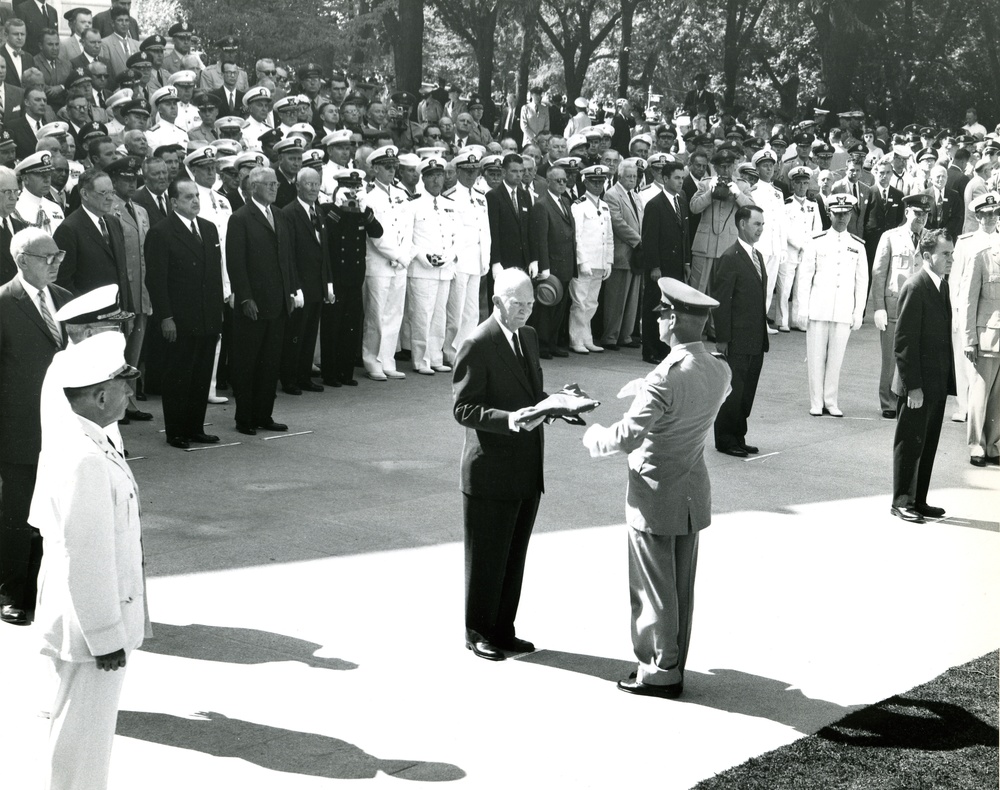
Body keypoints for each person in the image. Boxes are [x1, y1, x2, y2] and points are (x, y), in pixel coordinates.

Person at [583, 278, 730, 698]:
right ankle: (675, 661)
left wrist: (594, 435)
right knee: (681, 585)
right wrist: (644, 390)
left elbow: (628, 435)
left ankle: (659, 671)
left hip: (654, 491)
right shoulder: (719, 367)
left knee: (653, 587)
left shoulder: (663, 379)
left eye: (664, 313)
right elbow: (702, 397)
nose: (660, 320)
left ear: (674, 321)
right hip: (690, 488)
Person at [31, 330, 147, 790]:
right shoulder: (85, 457)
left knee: (80, 738)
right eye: (125, 385)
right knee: (82, 743)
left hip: (80, 620)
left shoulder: (85, 439)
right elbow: (88, 556)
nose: (130, 393)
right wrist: (105, 637)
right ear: (101, 395)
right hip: (89, 630)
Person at [452, 267, 545, 662]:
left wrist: (559, 404)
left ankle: (504, 629)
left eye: (529, 304)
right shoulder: (478, 342)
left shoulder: (528, 336)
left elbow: (532, 391)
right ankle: (478, 631)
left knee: (513, 555)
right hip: (490, 468)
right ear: (497, 301)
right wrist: (507, 420)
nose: (524, 311)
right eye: (517, 304)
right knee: (487, 555)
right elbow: (464, 408)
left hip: (525, 467)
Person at [0, 228, 70, 626]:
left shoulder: (64, 300)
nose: (56, 262)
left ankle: (43, 590)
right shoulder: (4, 303)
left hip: (59, 429)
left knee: (54, 514)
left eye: (58, 255)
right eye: (48, 257)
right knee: (15, 514)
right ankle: (10, 591)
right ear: (23, 259)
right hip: (18, 431)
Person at [145, 177, 223, 448]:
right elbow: (156, 280)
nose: (195, 201)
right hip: (180, 319)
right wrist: (166, 317)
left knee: (201, 376)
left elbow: (213, 277)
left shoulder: (209, 229)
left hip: (206, 317)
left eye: (197, 196)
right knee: (179, 376)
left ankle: (195, 427)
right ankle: (176, 431)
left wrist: (217, 315)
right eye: (188, 197)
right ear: (174, 202)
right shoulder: (161, 232)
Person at [226, 166, 301, 435]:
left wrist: (290, 293)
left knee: (270, 363)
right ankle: (245, 417)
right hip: (254, 304)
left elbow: (287, 258)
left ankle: (264, 415)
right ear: (253, 187)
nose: (274, 187)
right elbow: (236, 263)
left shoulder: (279, 215)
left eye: (276, 184)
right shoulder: (241, 218)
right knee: (248, 362)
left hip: (278, 302)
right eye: (268, 184)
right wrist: (245, 297)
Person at [889, 229, 956, 523]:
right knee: (909, 441)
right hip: (916, 384)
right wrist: (913, 387)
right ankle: (902, 500)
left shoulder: (942, 285)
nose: (951, 259)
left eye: (952, 253)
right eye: (946, 254)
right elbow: (903, 341)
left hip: (935, 383)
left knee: (927, 443)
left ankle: (919, 499)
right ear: (928, 256)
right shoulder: (915, 287)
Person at [798, 194, 868, 416]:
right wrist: (802, 308)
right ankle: (816, 401)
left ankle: (831, 400)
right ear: (829, 213)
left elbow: (862, 281)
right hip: (819, 308)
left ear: (851, 214)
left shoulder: (857, 245)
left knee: (836, 360)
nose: (841, 218)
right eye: (837, 213)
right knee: (816, 357)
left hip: (843, 310)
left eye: (846, 213)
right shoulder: (816, 240)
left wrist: (858, 312)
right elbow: (805, 276)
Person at [712, 205, 768, 457]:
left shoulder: (758, 257)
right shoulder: (730, 257)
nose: (761, 229)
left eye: (762, 224)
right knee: (733, 392)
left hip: (755, 338)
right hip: (736, 339)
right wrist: (722, 339)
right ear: (743, 224)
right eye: (757, 224)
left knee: (747, 392)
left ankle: (738, 435)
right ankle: (725, 439)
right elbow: (721, 302)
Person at [321, 168, 383, 387]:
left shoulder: (362, 211)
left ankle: (345, 372)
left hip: (355, 279)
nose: (354, 193)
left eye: (357, 188)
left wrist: (365, 211)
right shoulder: (329, 209)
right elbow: (324, 232)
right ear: (339, 188)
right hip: (336, 278)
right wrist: (338, 208)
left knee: (350, 328)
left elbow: (377, 232)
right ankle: (330, 374)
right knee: (332, 328)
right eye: (349, 187)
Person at [870, 194, 930, 418]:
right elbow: (878, 273)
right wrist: (879, 307)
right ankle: (888, 402)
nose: (921, 218)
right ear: (907, 213)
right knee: (891, 358)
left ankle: (908, 399)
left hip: (920, 307)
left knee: (917, 355)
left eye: (925, 214)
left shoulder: (930, 238)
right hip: (894, 304)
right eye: (917, 214)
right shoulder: (890, 237)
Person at [362, 144, 413, 381]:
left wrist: (404, 257)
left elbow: (407, 229)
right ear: (374, 169)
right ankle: (372, 360)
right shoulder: (368, 197)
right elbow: (376, 236)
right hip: (379, 264)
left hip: (400, 264)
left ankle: (388, 359)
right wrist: (397, 256)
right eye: (386, 167)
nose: (391, 171)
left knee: (394, 313)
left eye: (394, 166)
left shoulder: (402, 194)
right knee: (376, 315)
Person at [279, 167, 332, 394]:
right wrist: (294, 287)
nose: (313, 188)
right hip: (300, 285)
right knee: (295, 334)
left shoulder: (318, 212)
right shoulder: (288, 212)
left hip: (317, 284)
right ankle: (289, 379)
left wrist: (328, 282)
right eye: (308, 184)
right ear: (298, 186)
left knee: (310, 334)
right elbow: (288, 254)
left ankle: (303, 376)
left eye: (316, 183)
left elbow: (324, 251)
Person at [407, 156, 457, 374]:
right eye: (431, 176)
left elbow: (458, 237)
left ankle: (436, 357)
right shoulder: (413, 204)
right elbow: (407, 238)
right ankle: (421, 360)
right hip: (422, 269)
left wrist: (449, 256)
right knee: (421, 316)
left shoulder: (450, 205)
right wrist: (422, 256)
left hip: (444, 269)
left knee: (439, 316)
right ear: (423, 179)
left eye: (439, 175)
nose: (436, 181)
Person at [960, 202, 1000, 467]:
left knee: (998, 397)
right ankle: (977, 446)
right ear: (978, 217)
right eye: (986, 215)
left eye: (995, 214)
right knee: (979, 393)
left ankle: (994, 444)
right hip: (985, 336)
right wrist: (968, 338)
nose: (991, 218)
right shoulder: (980, 254)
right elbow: (968, 300)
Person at [640, 159, 690, 364]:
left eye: (682, 178)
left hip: (677, 264)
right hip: (660, 266)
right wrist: (654, 266)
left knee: (670, 310)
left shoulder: (681, 200)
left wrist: (686, 262)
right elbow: (649, 238)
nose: (680, 182)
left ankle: (664, 348)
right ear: (665, 178)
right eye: (676, 178)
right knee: (654, 307)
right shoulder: (655, 204)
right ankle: (650, 350)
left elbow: (685, 234)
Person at [443, 150, 490, 366]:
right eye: (467, 171)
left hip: (476, 259)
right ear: (458, 171)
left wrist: (486, 259)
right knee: (456, 311)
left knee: (471, 311)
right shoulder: (450, 196)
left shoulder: (480, 197)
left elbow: (485, 231)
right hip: (459, 261)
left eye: (474, 171)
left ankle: (467, 350)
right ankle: (451, 352)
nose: (471, 176)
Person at [568, 164, 614, 353]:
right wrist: (582, 261)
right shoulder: (579, 206)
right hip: (584, 262)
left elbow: (609, 236)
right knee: (579, 302)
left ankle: (587, 337)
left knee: (591, 302)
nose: (598, 185)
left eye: (601, 181)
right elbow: (576, 236)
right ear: (585, 182)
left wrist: (608, 261)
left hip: (600, 261)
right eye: (594, 182)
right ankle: (575, 339)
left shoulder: (604, 206)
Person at [601, 157, 643, 350]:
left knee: (632, 298)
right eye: (629, 176)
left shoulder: (635, 195)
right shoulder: (612, 195)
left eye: (635, 176)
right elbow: (618, 223)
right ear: (620, 176)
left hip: (636, 254)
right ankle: (611, 336)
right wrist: (638, 240)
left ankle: (625, 336)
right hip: (622, 252)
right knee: (616, 299)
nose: (632, 179)